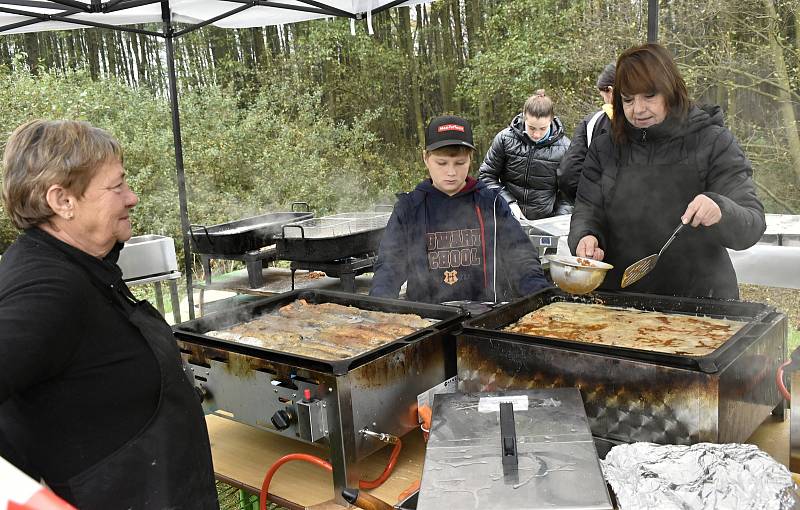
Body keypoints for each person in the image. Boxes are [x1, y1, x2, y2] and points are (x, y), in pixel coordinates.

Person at [0, 120, 219, 509]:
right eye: (117, 186)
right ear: (62, 201)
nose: (131, 197)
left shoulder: (81, 263)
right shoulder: (49, 288)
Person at [569, 44, 766, 299]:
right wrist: (586, 237)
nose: (637, 110)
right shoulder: (605, 147)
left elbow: (752, 222)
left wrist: (720, 209)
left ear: (670, 92)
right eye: (628, 100)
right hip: (620, 297)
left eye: (648, 96)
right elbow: (587, 209)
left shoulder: (712, 141)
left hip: (701, 298)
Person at [370, 115, 550, 303]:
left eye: (460, 163)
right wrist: (377, 308)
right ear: (426, 158)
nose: (451, 172)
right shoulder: (409, 208)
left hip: (487, 314)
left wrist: (542, 299)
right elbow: (389, 266)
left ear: (470, 159)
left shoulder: (491, 203)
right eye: (441, 163)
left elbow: (521, 257)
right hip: (427, 318)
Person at [478, 90, 572, 221]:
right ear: (524, 117)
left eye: (543, 128)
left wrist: (557, 220)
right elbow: (486, 176)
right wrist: (508, 202)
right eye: (532, 128)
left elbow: (569, 193)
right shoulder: (504, 139)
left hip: (546, 224)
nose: (537, 134)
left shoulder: (566, 148)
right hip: (505, 218)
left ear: (551, 120)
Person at [558, 63, 615, 203]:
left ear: (610, 91)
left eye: (604, 96)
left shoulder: (593, 122)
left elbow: (568, 176)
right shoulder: (658, 122)